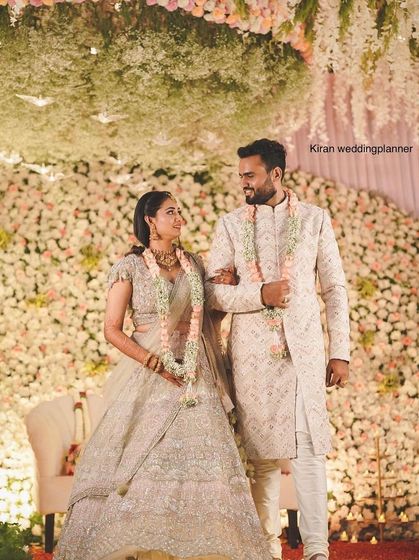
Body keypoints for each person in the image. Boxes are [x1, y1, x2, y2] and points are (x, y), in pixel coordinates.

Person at [54, 191, 271, 560]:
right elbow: (112, 329)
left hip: (195, 373)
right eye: (171, 212)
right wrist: (154, 362)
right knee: (148, 457)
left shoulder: (194, 265)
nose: (179, 218)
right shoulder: (130, 267)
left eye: (180, 212)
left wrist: (229, 289)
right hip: (150, 373)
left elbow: (207, 321)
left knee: (205, 458)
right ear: (150, 220)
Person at [206, 139, 350, 560]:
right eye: (240, 176)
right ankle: (264, 550)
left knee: (309, 451)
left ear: (276, 174)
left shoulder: (314, 220)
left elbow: (335, 288)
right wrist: (260, 294)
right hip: (251, 356)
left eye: (249, 175)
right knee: (261, 457)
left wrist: (339, 351)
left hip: (303, 353)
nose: (243, 183)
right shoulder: (229, 225)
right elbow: (214, 294)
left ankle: (317, 551)